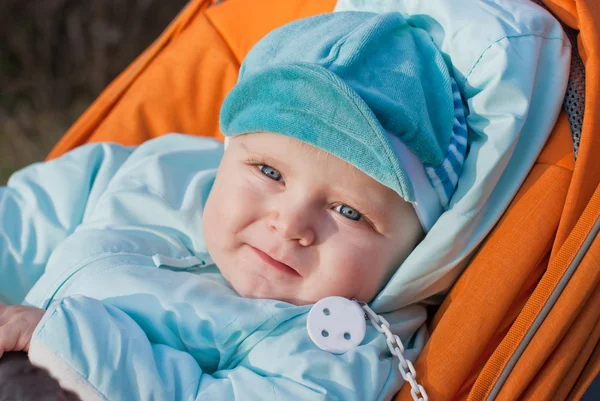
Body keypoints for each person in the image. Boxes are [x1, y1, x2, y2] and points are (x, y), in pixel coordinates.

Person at [0, 11, 468, 400]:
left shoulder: (339, 354)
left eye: (348, 212)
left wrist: (52, 340)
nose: (289, 224)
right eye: (269, 172)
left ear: (415, 249)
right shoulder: (164, 169)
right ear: (229, 152)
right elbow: (25, 220)